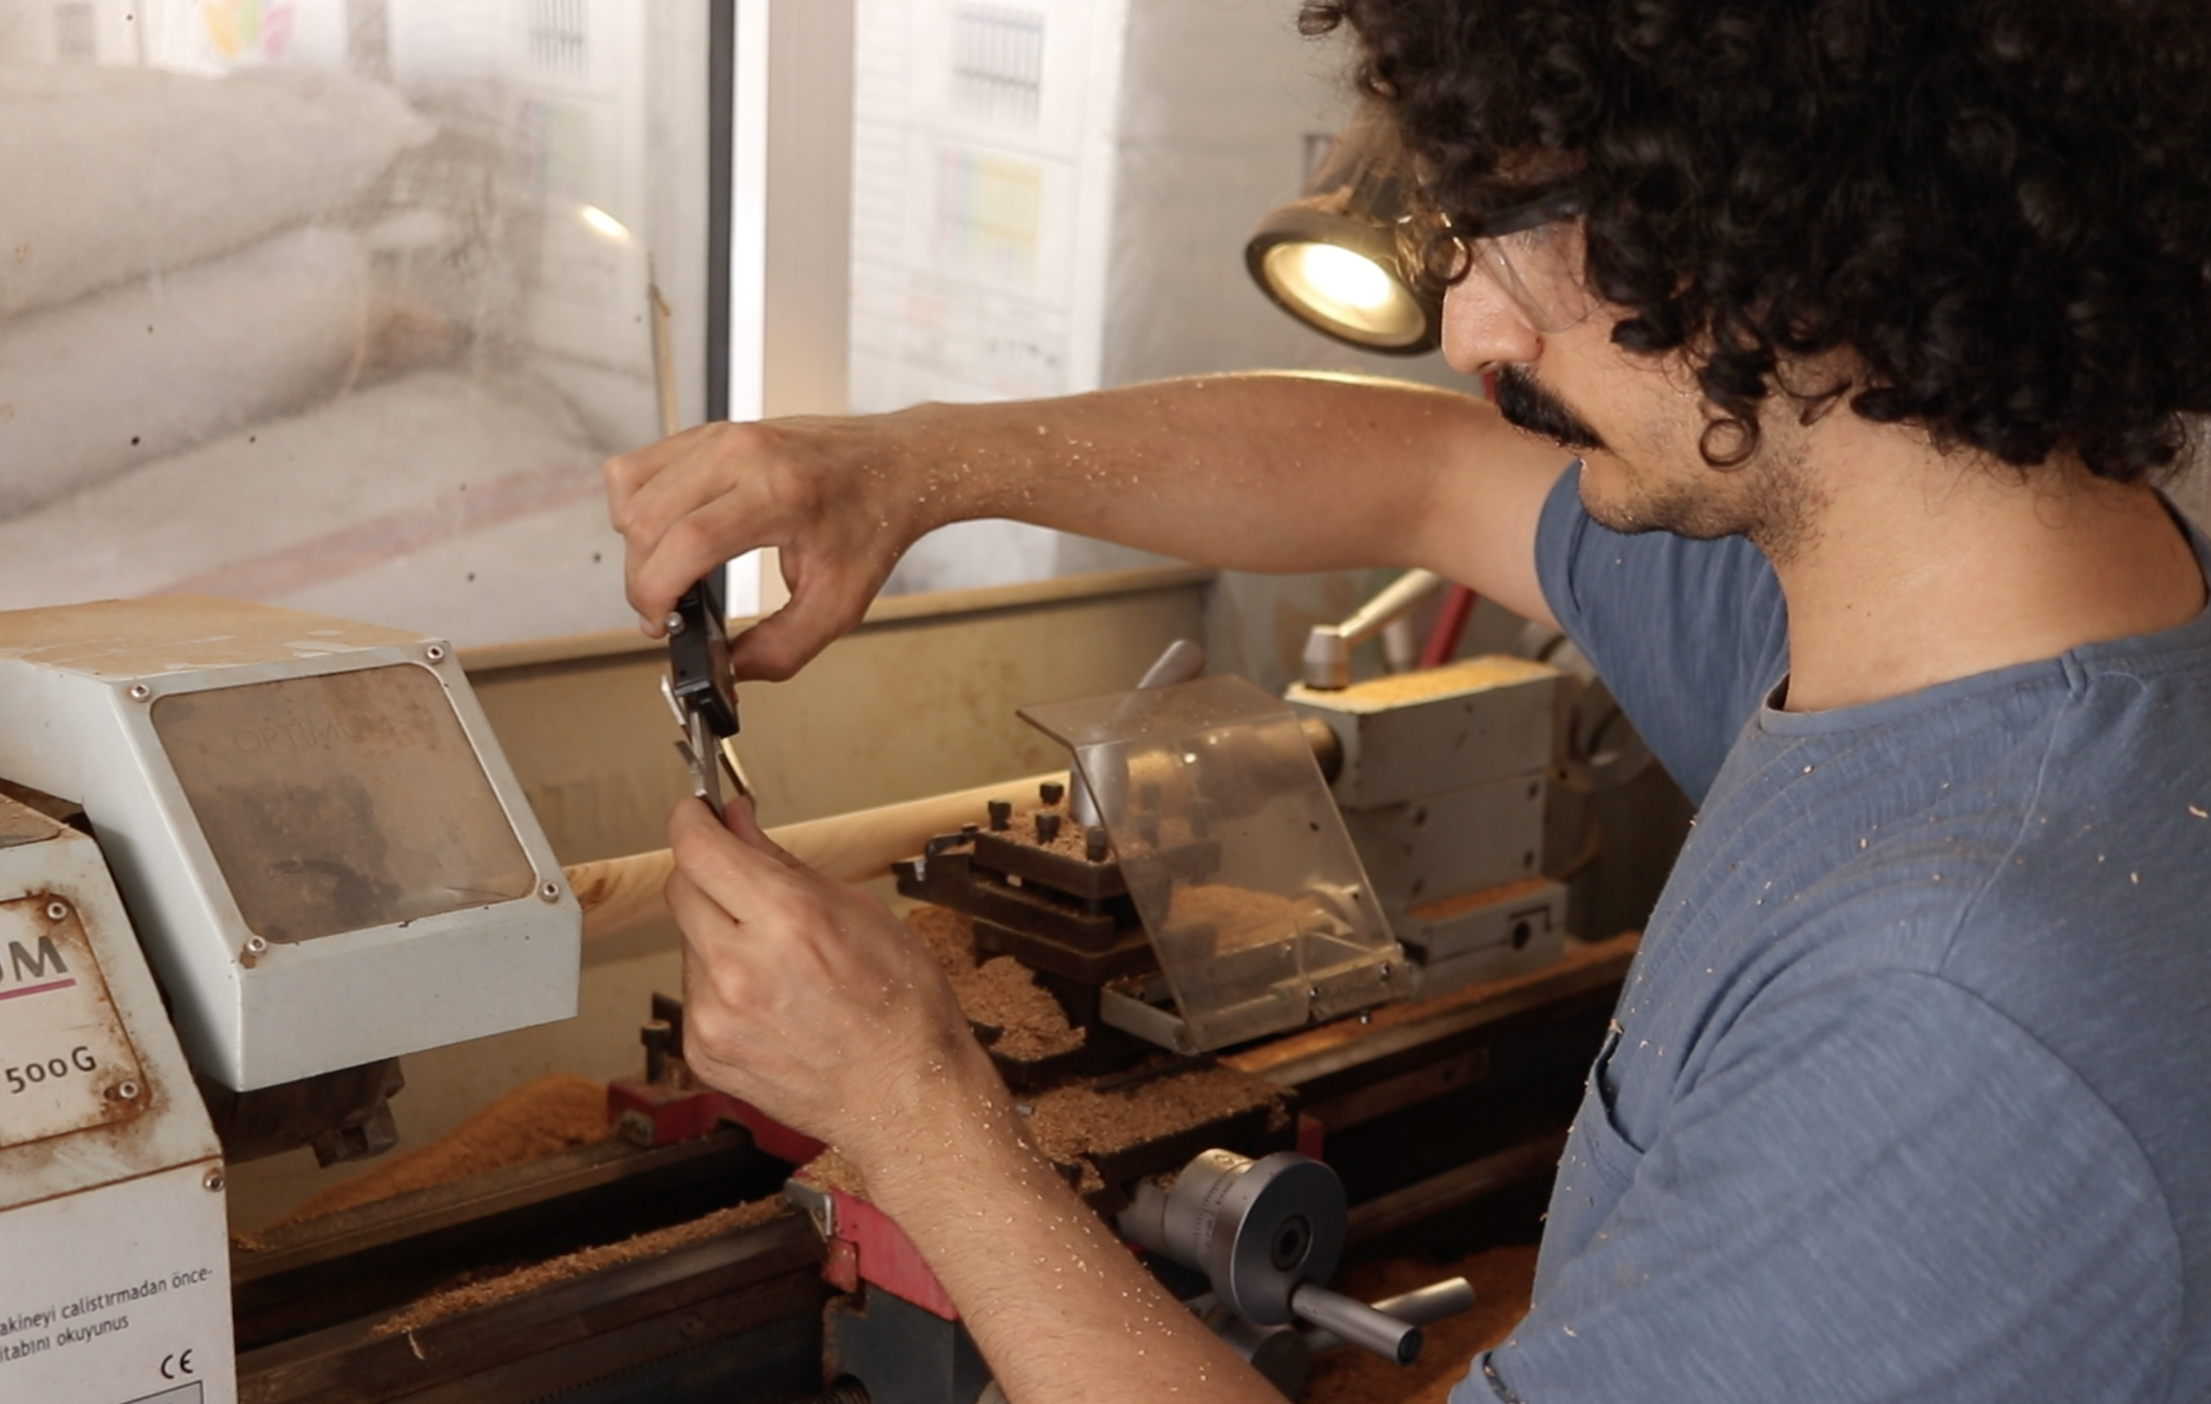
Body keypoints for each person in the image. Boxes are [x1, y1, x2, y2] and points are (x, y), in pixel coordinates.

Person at [604, 1, 2211, 1400]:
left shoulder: (1953, 1027)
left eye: (1520, 225)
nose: (1467, 332)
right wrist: (914, 465)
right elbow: (1425, 475)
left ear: (1791, 212)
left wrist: (917, 1110)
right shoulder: (1944, 619)